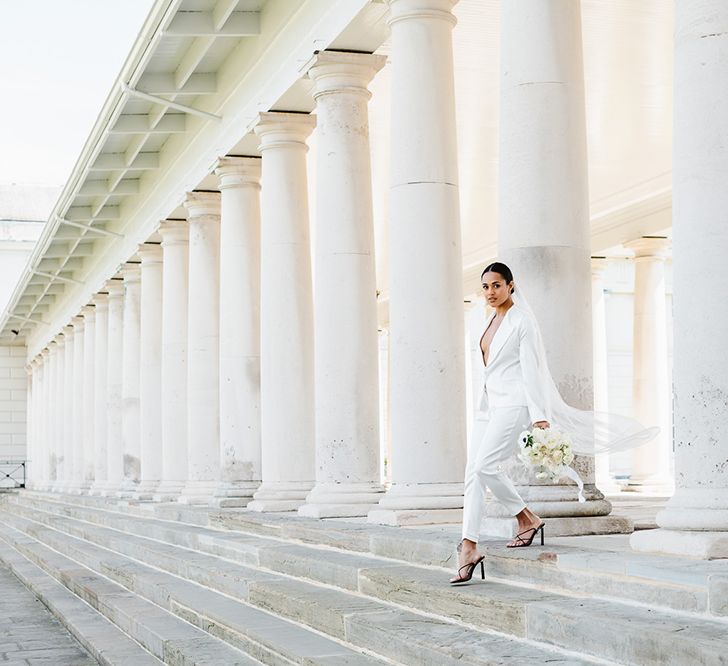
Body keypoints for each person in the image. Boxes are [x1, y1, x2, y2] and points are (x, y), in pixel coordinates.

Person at [450, 262, 548, 585]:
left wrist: (539, 415)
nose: (490, 292)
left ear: (510, 285)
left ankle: (526, 517)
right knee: (472, 474)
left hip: (514, 405)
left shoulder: (523, 322)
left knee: (485, 466)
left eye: (496, 285)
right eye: (486, 287)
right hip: (487, 406)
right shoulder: (483, 318)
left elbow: (531, 370)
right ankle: (468, 547)